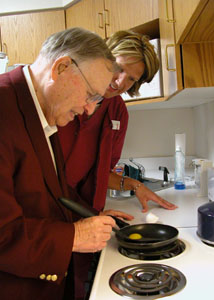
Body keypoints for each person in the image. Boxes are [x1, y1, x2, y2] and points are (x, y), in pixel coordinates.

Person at [0, 27, 128, 300]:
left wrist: (91, 216)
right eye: (91, 94)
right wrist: (74, 237)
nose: (89, 109)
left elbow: (51, 194)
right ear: (62, 67)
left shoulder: (42, 114)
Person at [58, 30, 177, 300]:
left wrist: (134, 186)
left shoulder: (118, 111)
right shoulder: (66, 97)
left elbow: (103, 171)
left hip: (86, 217)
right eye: (119, 68)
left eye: (132, 78)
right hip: (50, 215)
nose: (120, 81)